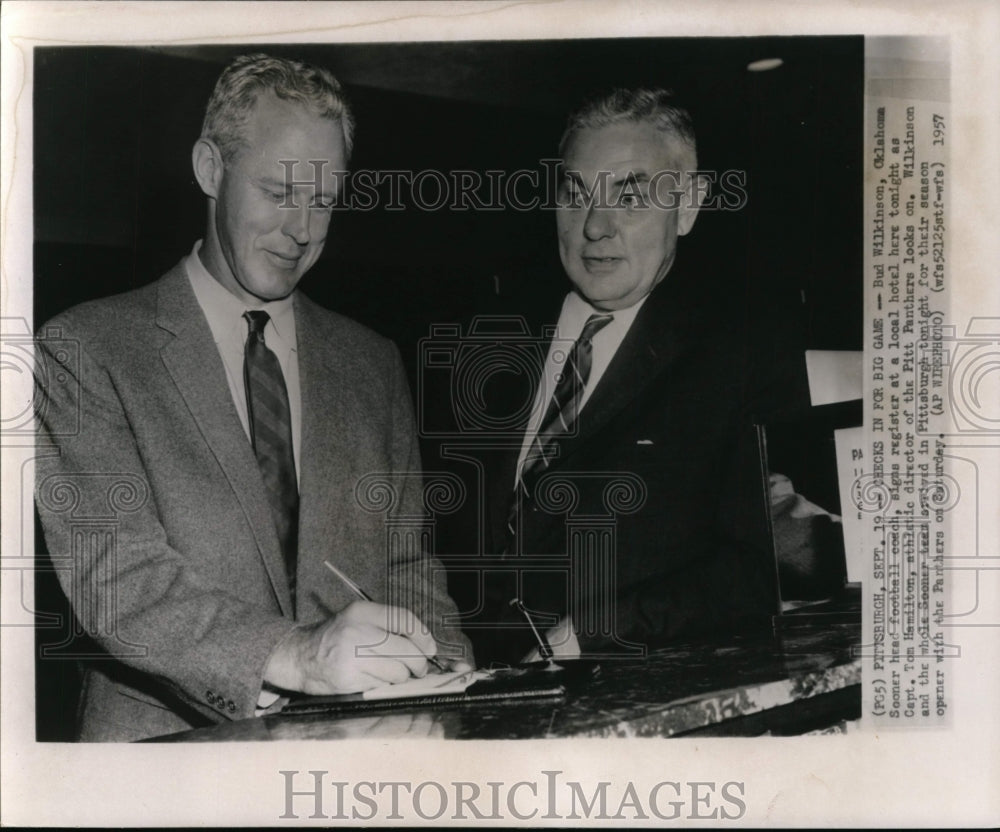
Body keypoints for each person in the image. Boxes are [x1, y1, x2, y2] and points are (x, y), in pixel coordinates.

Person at [34, 53, 470, 742]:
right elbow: (116, 579)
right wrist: (301, 654)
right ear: (211, 169)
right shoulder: (86, 351)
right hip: (160, 771)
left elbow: (408, 566)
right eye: (278, 190)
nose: (302, 228)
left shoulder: (373, 363)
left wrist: (450, 686)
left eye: (323, 199)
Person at [446, 88, 780, 665]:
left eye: (630, 195)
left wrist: (589, 634)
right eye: (575, 193)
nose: (595, 227)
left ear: (690, 204)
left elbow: (754, 570)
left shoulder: (739, 360)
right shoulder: (483, 337)